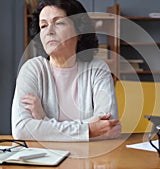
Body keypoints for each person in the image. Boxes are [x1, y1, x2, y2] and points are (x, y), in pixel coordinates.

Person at [12, 0, 121, 142]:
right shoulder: (32, 69)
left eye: (59, 23)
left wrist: (43, 120)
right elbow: (21, 129)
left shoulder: (98, 69)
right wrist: (89, 130)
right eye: (43, 26)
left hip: (89, 160)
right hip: (45, 159)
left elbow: (108, 127)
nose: (49, 31)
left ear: (79, 31)